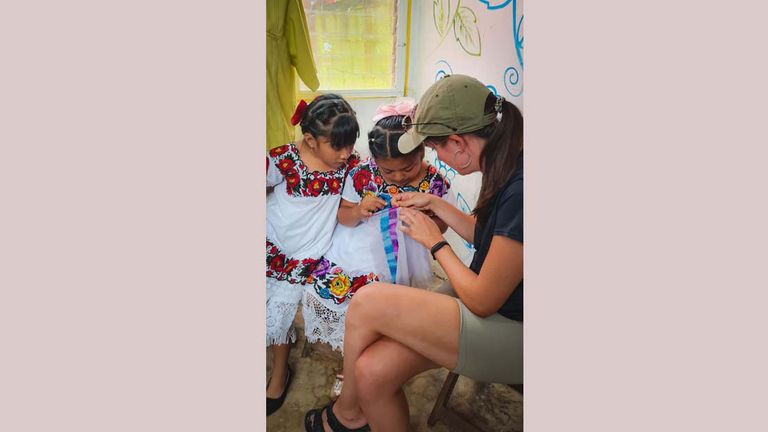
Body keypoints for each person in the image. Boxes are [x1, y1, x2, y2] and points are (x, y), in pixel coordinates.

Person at [304, 74, 524, 432]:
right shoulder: (506, 164)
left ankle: (345, 414)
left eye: (435, 149)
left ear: (458, 142)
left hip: (513, 329)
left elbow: (483, 300)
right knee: (371, 371)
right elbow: (486, 238)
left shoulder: (521, 189)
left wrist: (435, 242)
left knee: (368, 301)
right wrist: (434, 202)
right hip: (498, 302)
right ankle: (355, 412)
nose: (436, 158)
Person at [302, 99, 453, 354]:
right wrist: (360, 210)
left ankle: (372, 351)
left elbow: (443, 226)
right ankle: (351, 353)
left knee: (388, 306)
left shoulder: (435, 183)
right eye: (387, 171)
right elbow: (343, 215)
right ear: (375, 160)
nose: (398, 177)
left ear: (421, 153)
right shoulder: (362, 174)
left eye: (407, 168)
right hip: (358, 245)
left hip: (403, 253)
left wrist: (424, 219)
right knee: (348, 297)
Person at [266, 93, 360, 416]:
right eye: (338, 146)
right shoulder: (286, 159)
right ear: (310, 140)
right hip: (273, 241)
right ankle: (280, 357)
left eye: (350, 144)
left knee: (281, 311)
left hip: (308, 253)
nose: (346, 153)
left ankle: (280, 372)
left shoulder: (347, 165)